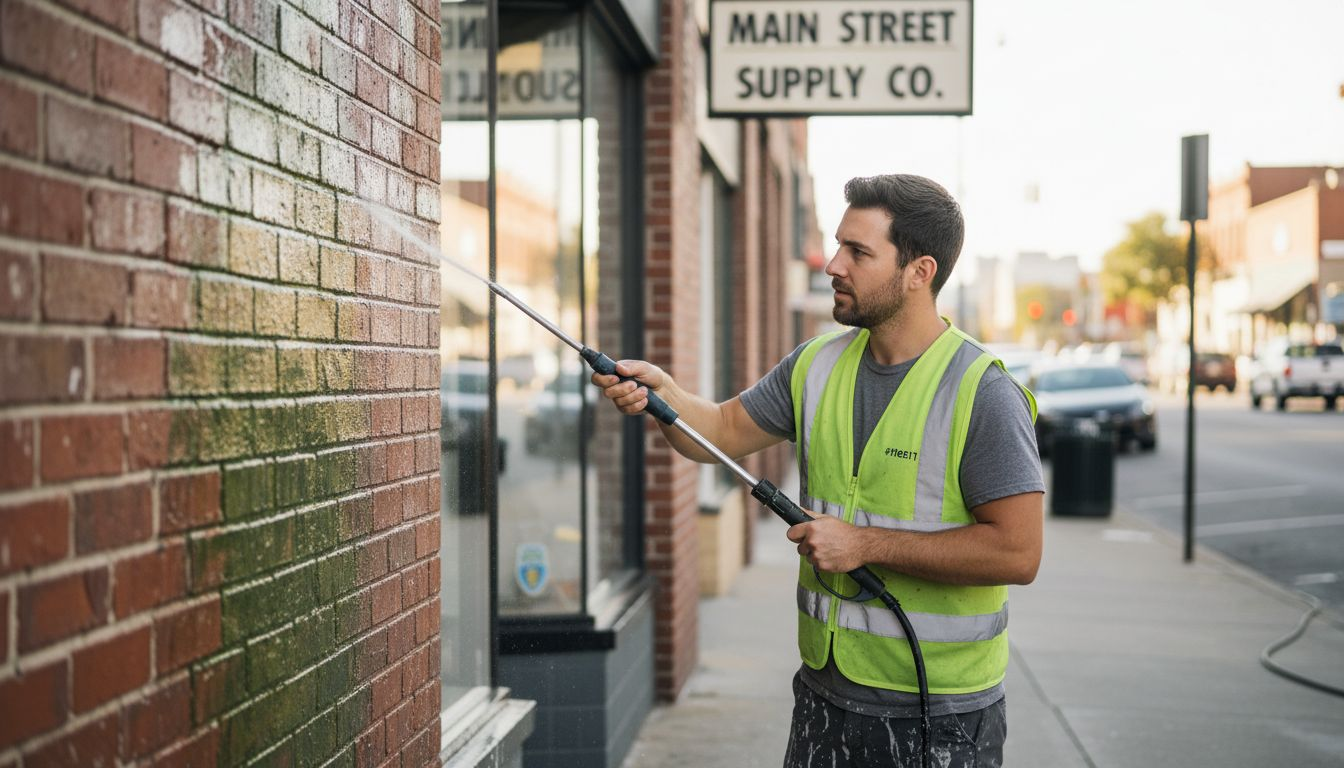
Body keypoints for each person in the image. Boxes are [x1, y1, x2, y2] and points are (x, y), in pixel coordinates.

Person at [592, 174, 1044, 767]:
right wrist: (665, 396)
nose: (833, 264)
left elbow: (1017, 554)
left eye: (859, 252)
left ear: (920, 272)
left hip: (941, 713)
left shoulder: (981, 392)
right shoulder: (816, 365)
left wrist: (863, 543)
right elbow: (720, 433)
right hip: (824, 697)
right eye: (838, 245)